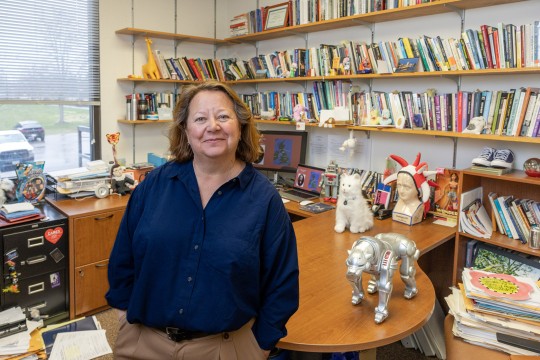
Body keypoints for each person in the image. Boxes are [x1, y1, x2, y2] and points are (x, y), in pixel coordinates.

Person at [106, 81, 300, 360]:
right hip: (143, 342)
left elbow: (282, 282)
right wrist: (124, 317)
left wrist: (259, 346)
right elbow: (122, 259)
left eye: (223, 116)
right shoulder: (154, 186)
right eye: (200, 119)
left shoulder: (264, 199)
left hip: (224, 348)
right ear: (185, 130)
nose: (213, 126)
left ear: (240, 126)